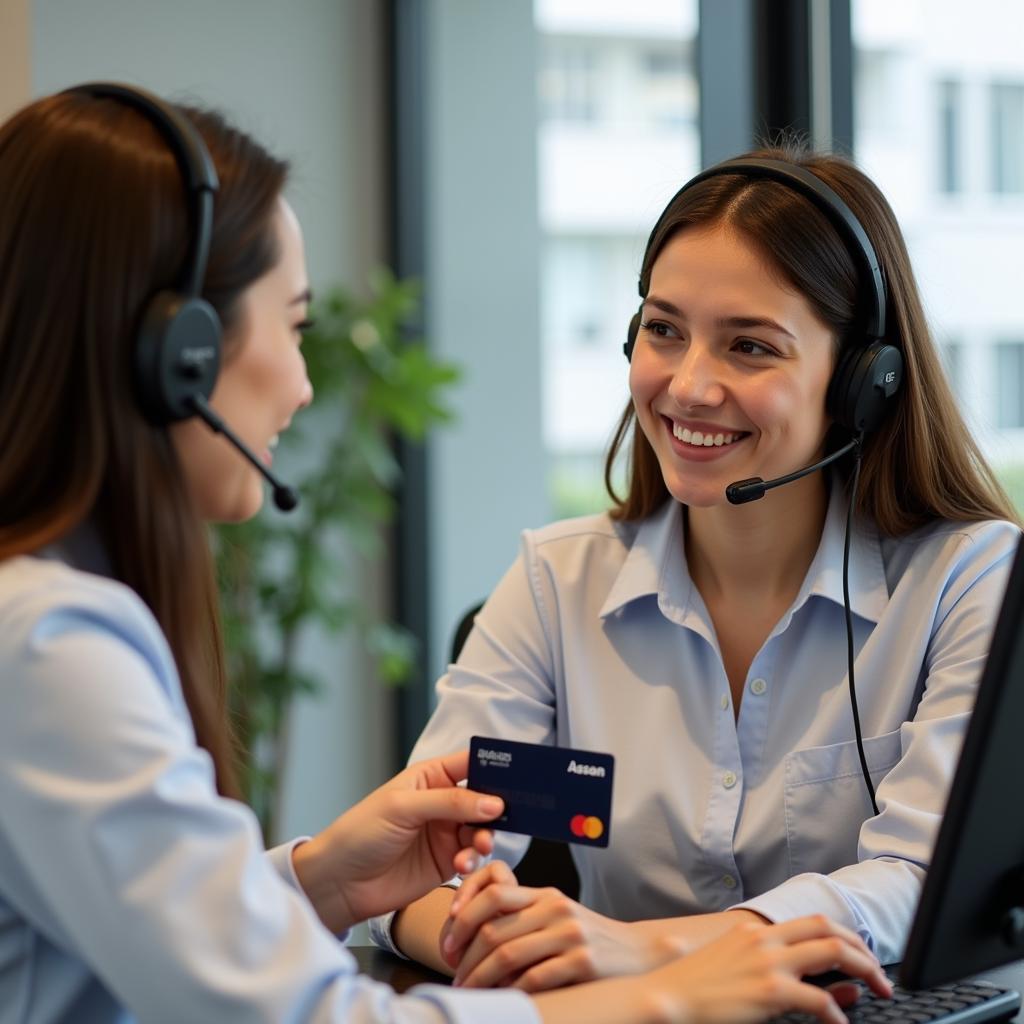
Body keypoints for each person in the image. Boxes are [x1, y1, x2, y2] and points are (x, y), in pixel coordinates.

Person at [0, 86, 891, 1024]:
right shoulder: (52, 646)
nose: (305, 385)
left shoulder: (42, 625)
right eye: (294, 327)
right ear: (180, 357)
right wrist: (663, 995)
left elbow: (157, 933)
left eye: (751, 346)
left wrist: (320, 879)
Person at [376, 147, 1022, 993]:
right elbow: (410, 869)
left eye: (750, 346)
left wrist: (645, 951)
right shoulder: (556, 584)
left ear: (865, 381)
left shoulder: (969, 583)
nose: (688, 386)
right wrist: (488, 933)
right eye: (663, 329)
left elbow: (922, 882)